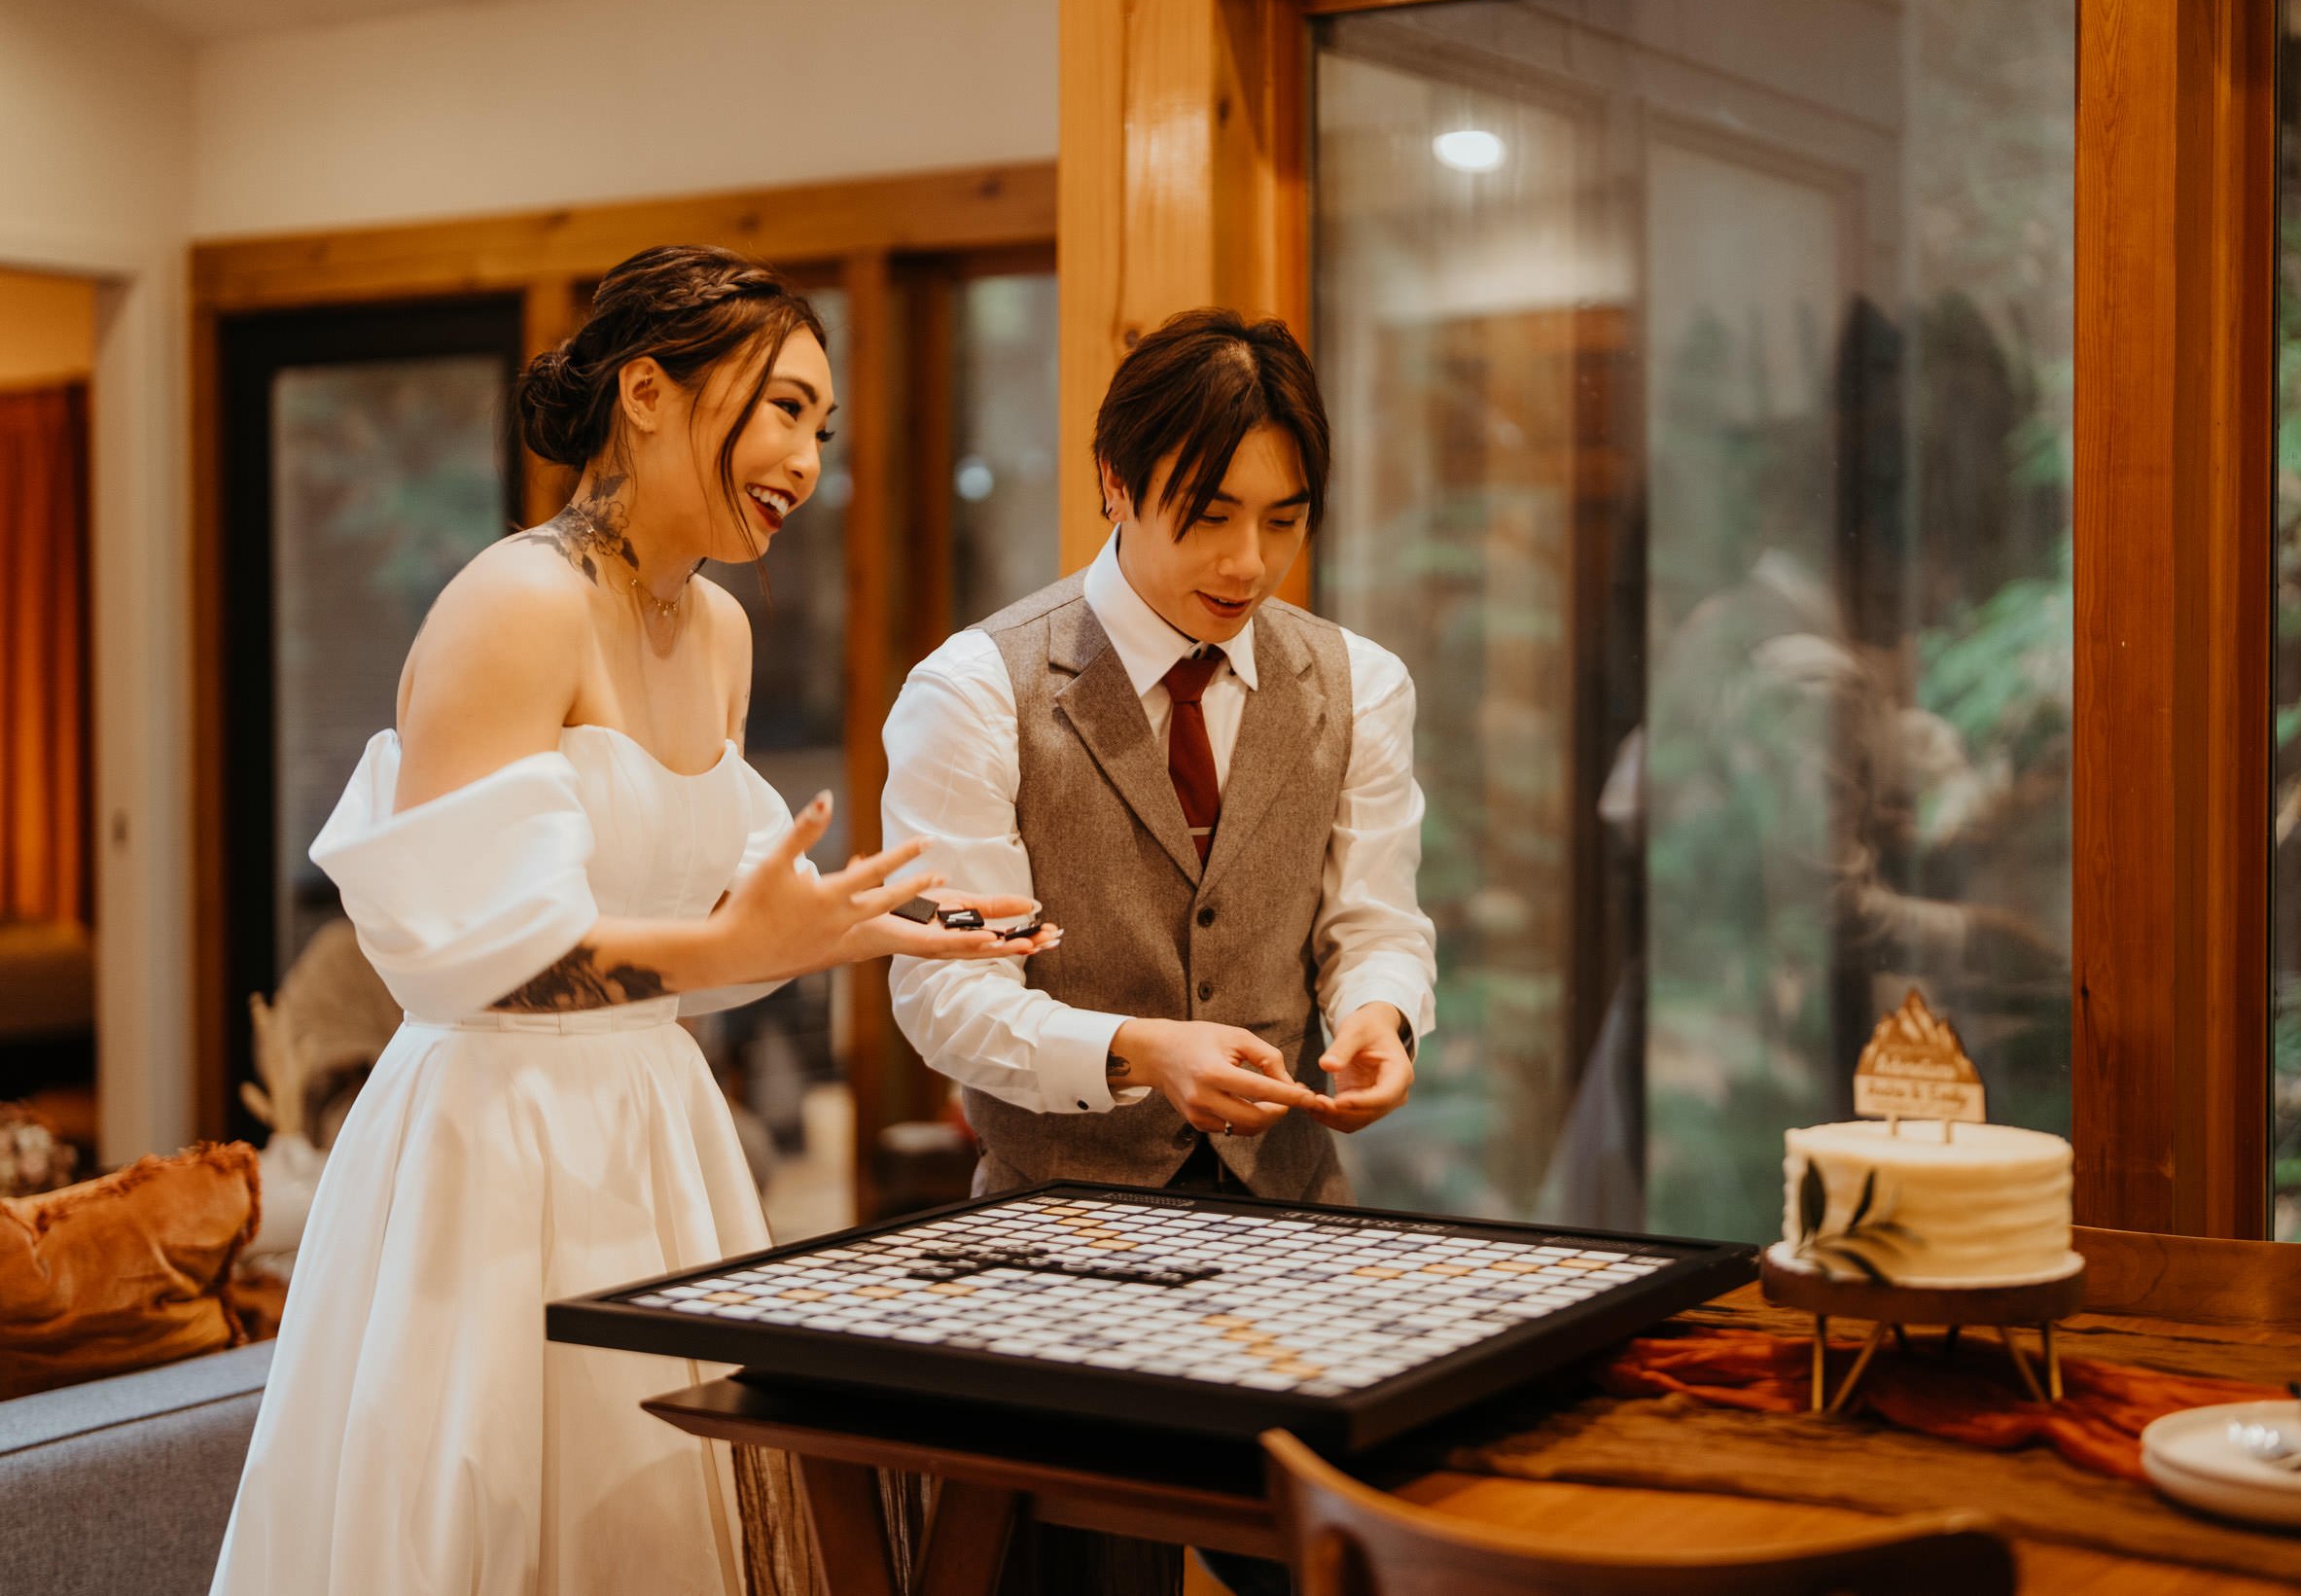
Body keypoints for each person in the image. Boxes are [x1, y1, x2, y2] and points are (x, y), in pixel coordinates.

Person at [209, 245, 1046, 1596]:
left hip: (653, 1128)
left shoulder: (717, 628)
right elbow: (471, 962)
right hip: (493, 1138)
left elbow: (703, 929)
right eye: (781, 409)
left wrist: (868, 923)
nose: (806, 462)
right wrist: (740, 949)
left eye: (821, 429)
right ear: (647, 391)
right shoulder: (516, 603)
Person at [881, 306, 1437, 1595]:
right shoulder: (974, 692)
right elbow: (947, 996)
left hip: (1298, 1234)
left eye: (1286, 519)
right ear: (1114, 485)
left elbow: (1376, 921)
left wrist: (1379, 1017)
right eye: (1208, 513)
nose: (1249, 561)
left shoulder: (1361, 684)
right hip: (1061, 1248)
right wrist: (1132, 1049)